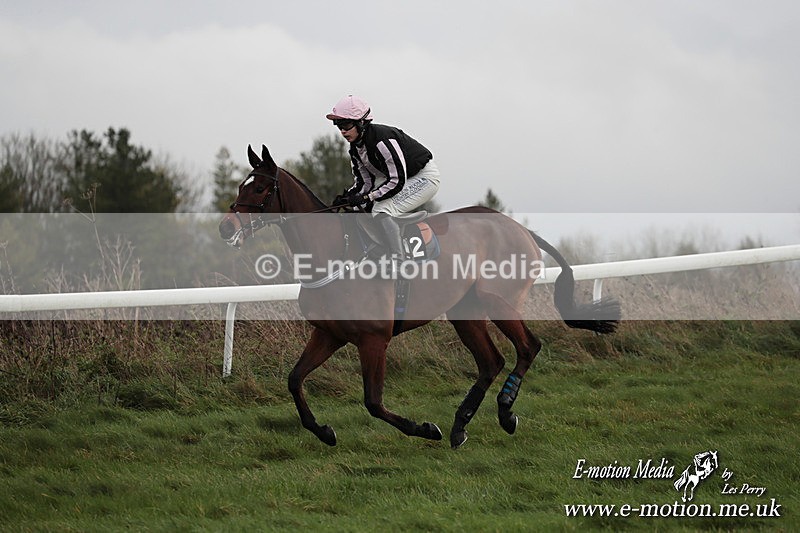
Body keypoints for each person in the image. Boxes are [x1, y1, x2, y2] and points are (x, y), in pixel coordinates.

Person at [327, 95, 440, 265]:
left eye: (346, 125)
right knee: (363, 207)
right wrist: (348, 197)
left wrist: (368, 197)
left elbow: (397, 181)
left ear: (362, 123)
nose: (342, 131)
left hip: (424, 178)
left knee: (381, 209)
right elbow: (365, 183)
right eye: (339, 126)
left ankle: (399, 262)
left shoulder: (382, 140)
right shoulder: (355, 149)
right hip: (398, 178)